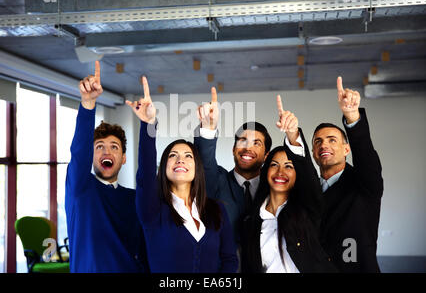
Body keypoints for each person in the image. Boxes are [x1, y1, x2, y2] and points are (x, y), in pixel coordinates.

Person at [126, 76, 238, 273]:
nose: (180, 160)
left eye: (188, 156)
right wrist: (149, 124)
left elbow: (229, 260)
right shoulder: (152, 210)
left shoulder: (216, 210)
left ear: (197, 168)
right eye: (173, 155)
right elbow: (145, 172)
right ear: (164, 167)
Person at [65, 61, 148, 273]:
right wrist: (87, 104)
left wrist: (148, 124)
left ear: (124, 158)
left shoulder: (133, 199)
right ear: (91, 156)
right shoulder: (81, 190)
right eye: (99, 147)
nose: (106, 152)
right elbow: (79, 151)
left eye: (114, 147)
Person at [241, 95, 337, 273]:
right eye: (274, 165)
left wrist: (292, 133)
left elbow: (307, 173)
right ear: (265, 171)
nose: (280, 172)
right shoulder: (251, 219)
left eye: (288, 167)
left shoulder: (308, 209)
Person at [312, 76, 383, 272]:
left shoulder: (365, 184)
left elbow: (366, 155)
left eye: (332, 140)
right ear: (313, 153)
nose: (324, 144)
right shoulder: (309, 190)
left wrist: (352, 118)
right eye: (318, 142)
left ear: (346, 149)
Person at [194, 88, 272, 245]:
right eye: (242, 140)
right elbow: (205, 161)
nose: (247, 148)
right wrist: (208, 129)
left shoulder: (273, 186)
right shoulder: (217, 179)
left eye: (256, 143)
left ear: (266, 155)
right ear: (233, 149)